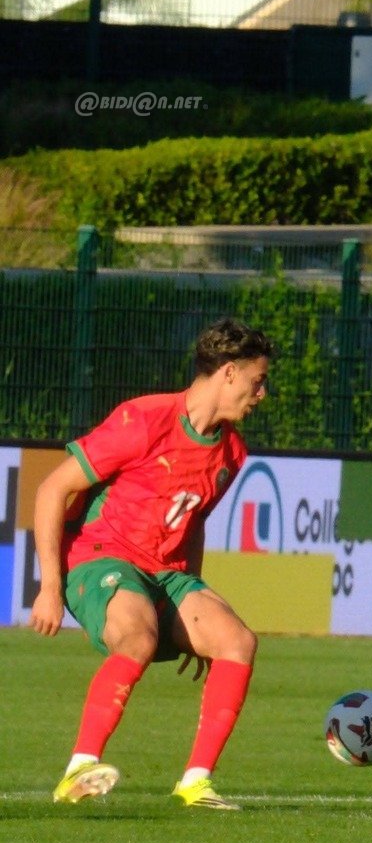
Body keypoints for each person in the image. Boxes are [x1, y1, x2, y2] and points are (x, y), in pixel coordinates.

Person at [30, 318, 274, 810]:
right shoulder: (144, 419)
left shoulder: (231, 452)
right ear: (228, 373)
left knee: (236, 641)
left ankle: (196, 783)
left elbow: (196, 521)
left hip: (167, 574)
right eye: (257, 380)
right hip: (103, 558)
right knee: (137, 636)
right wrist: (50, 586)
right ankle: (79, 768)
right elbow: (52, 489)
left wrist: (193, 602)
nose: (261, 393)